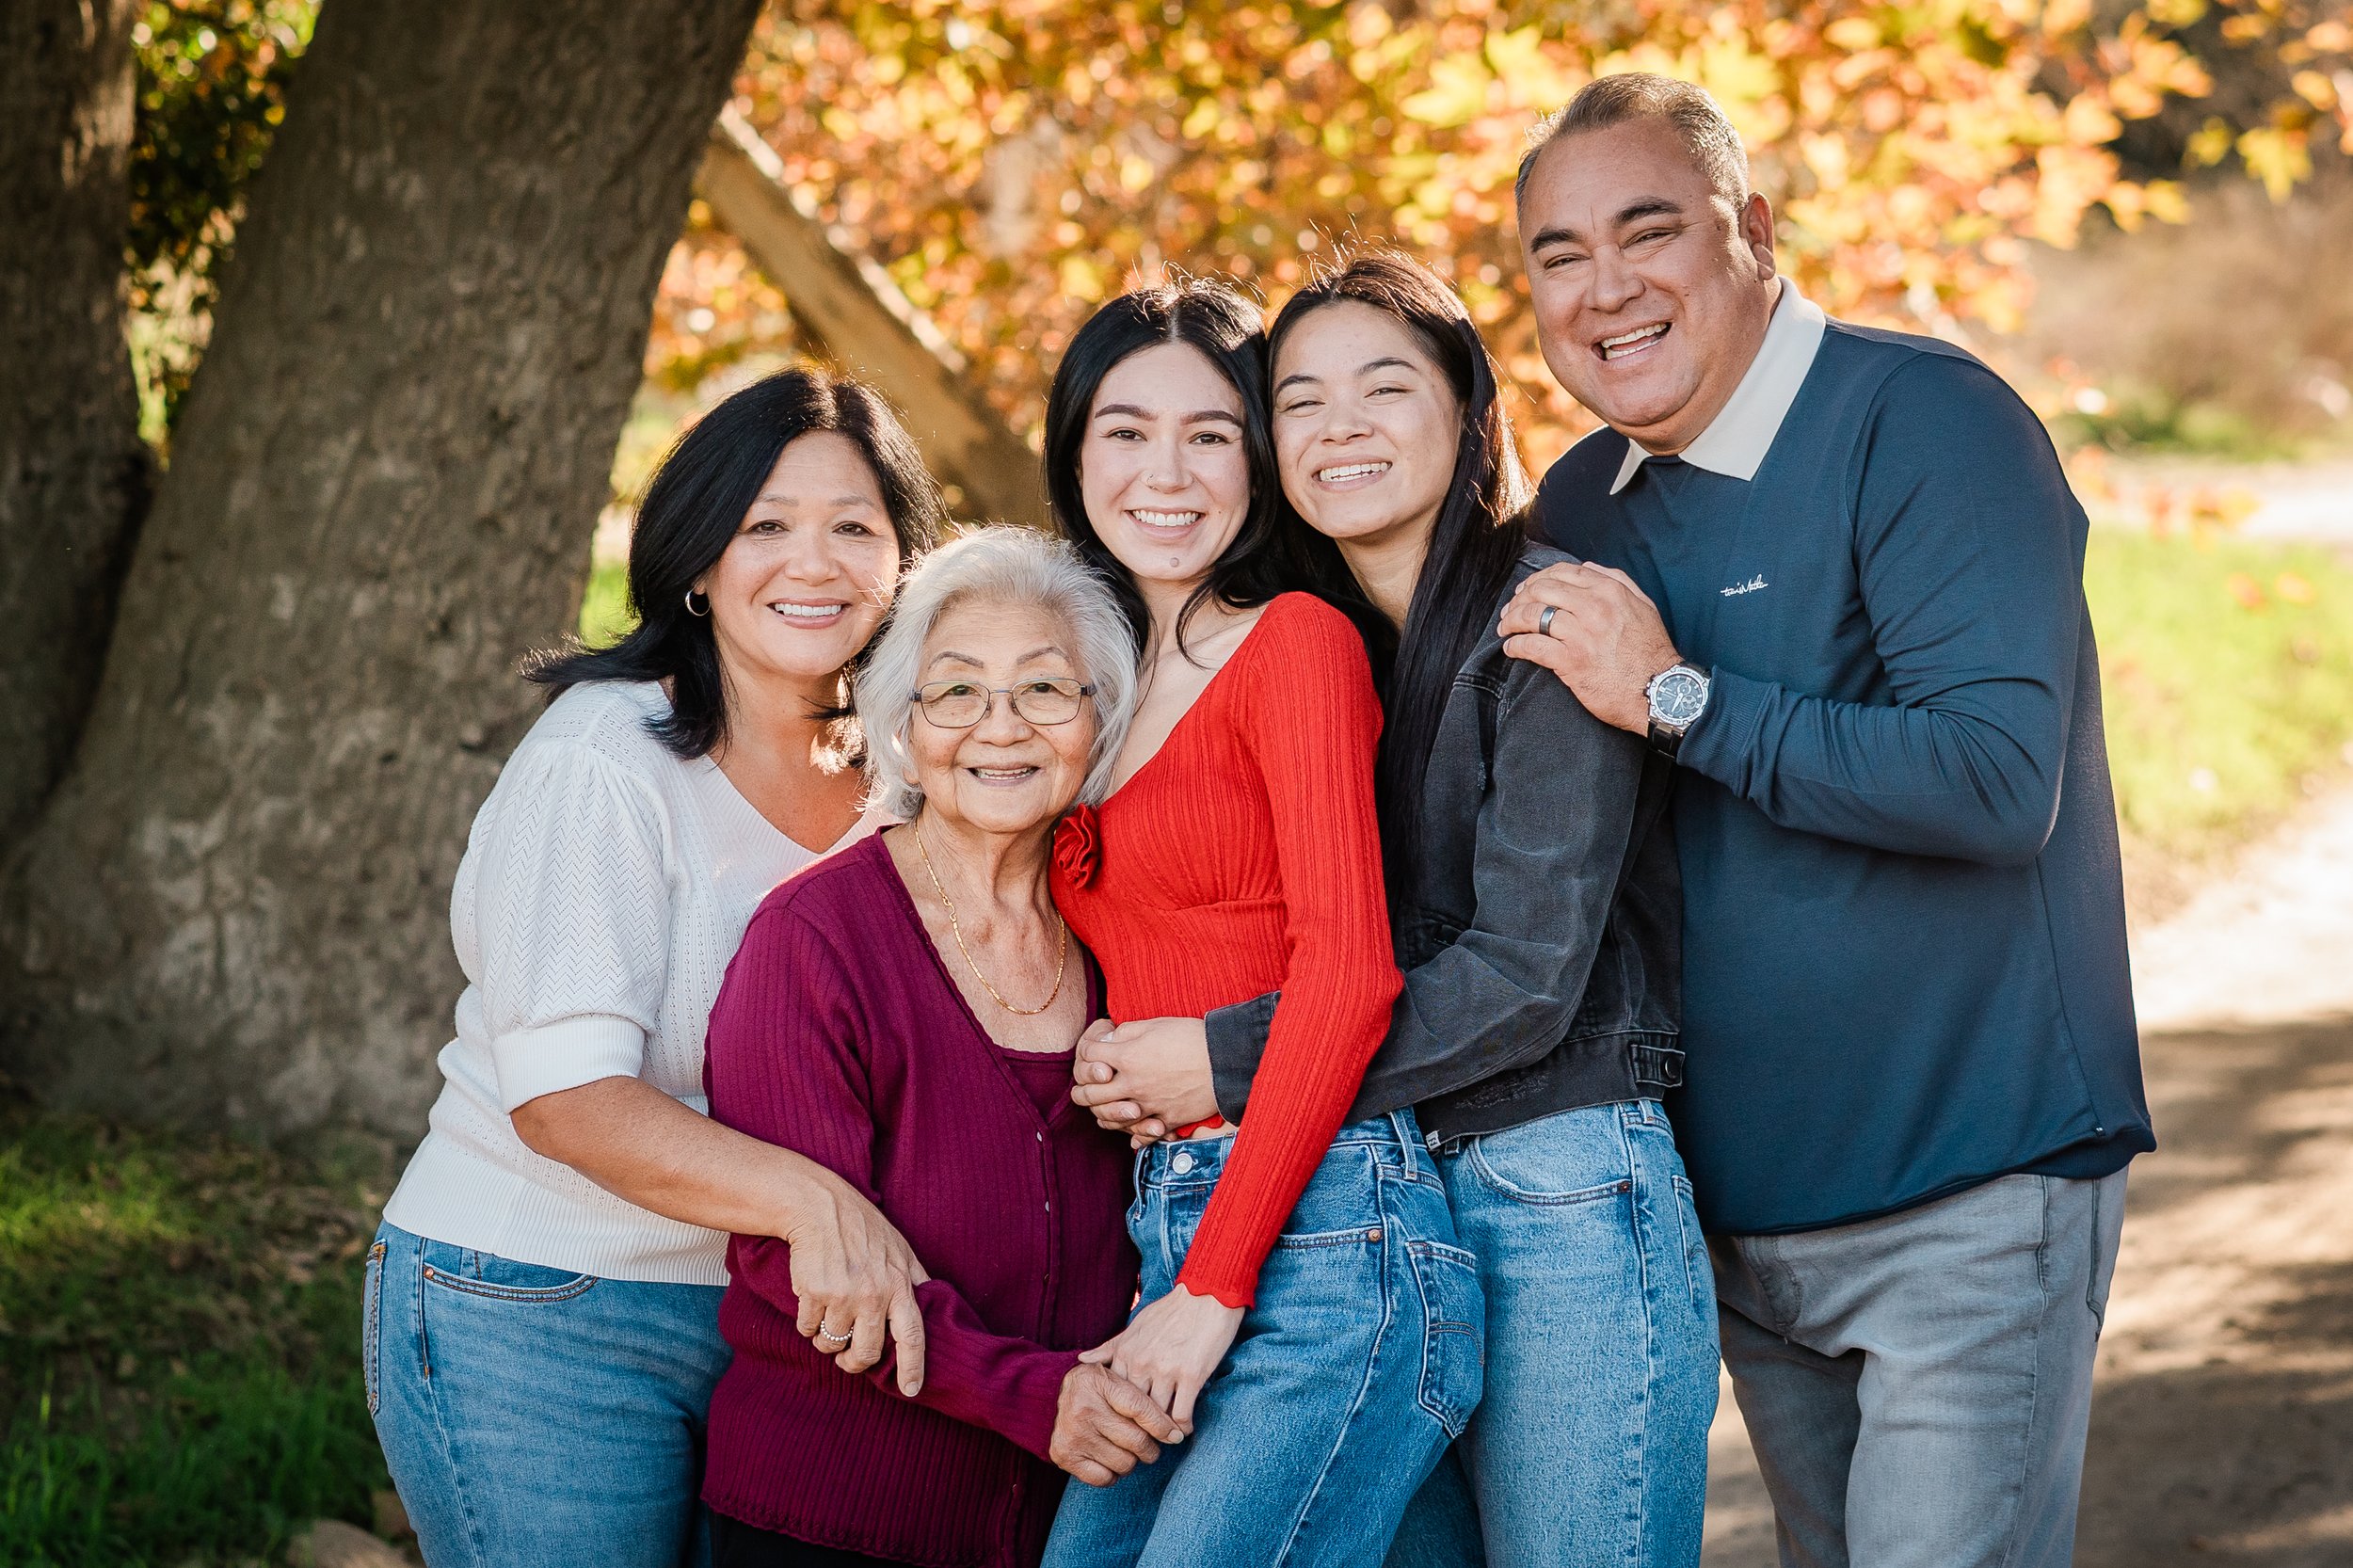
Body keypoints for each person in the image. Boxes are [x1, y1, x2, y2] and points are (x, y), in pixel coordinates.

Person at [1497, 74, 2152, 1568]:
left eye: (1649, 232)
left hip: (1970, 1190)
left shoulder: (1924, 421)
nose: (1606, 291)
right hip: (1743, 1224)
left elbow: (1994, 779)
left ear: (1756, 231)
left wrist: (1678, 695)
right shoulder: (1585, 504)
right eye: (1559, 254)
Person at [1071, 251, 1718, 1567]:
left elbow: (1529, 972)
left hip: (1557, 1183)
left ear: (1472, 411)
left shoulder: (1545, 624)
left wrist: (1228, 1059)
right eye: (1299, 401)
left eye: (1385, 386)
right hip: (1383, 1185)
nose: (1340, 425)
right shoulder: (1326, 643)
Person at [367, 368, 947, 1568]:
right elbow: (568, 1099)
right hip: (537, 1302)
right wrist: (817, 1204)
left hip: (770, 1318)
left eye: (855, 527)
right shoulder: (605, 760)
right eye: (764, 526)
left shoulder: (912, 774)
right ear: (695, 561)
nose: (814, 562)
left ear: (904, 564)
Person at [1034, 279, 1480, 1567]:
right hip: (1166, 1215)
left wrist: (1216, 1284)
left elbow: (1349, 974)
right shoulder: (1092, 691)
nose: (1162, 471)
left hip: (1324, 1231)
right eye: (1124, 430)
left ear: (1261, 460)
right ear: (1075, 454)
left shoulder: (1294, 644)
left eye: (1209, 433)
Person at [697, 527, 1180, 1568]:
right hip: (833, 1516)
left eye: (1047, 689)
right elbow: (801, 1265)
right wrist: (1031, 1395)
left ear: (1098, 719)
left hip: (1064, 1524)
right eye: (955, 692)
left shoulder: (1117, 935)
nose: (1000, 727)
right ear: (903, 727)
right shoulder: (815, 940)